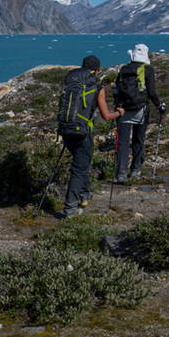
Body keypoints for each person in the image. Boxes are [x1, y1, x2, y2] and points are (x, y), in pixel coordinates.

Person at [56, 55, 123, 216]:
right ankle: (70, 208)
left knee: (82, 163)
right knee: (79, 168)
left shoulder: (71, 83)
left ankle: (84, 196)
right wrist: (119, 113)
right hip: (83, 132)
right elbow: (106, 116)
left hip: (66, 129)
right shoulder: (97, 87)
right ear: (97, 70)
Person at [112, 44, 165, 181]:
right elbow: (152, 92)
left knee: (123, 142)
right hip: (141, 109)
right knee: (138, 139)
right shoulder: (148, 69)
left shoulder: (124, 69)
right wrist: (159, 106)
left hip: (123, 110)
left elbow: (116, 89)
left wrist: (118, 105)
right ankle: (135, 169)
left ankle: (121, 173)